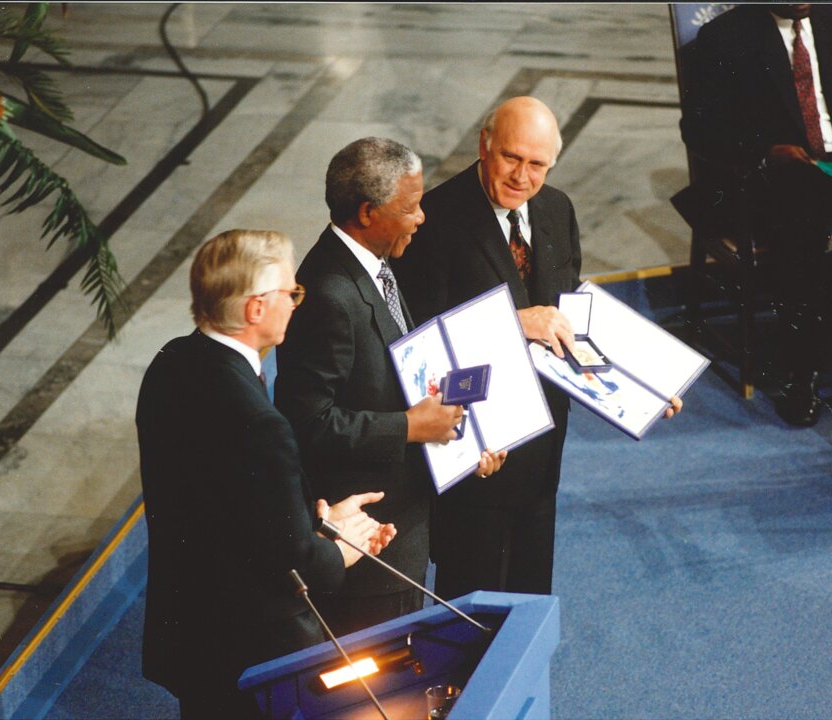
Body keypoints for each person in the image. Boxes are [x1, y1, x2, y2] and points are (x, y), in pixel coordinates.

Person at [392, 96, 681, 601]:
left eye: (537, 164)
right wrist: (512, 323)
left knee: (529, 593)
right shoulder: (434, 221)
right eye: (511, 157)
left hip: (543, 443)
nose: (521, 177)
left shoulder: (556, 209)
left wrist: (646, 382)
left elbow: (569, 314)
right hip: (480, 446)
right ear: (484, 146)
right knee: (474, 600)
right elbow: (419, 339)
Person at [136, 229, 396, 719]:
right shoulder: (261, 425)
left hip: (192, 629)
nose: (297, 304)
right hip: (254, 648)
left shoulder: (171, 363)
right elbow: (291, 559)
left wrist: (313, 518)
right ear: (256, 309)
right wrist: (340, 547)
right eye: (291, 293)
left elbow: (222, 502)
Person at [274, 138, 506, 637]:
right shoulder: (330, 294)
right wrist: (410, 426)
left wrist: (464, 438)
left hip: (404, 524)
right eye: (411, 207)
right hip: (371, 547)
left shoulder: (376, 264)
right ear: (367, 213)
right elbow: (306, 422)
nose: (422, 218)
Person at [677, 3, 832, 426]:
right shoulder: (725, 36)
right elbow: (698, 129)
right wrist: (765, 154)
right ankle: (801, 374)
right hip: (773, 175)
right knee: (802, 225)